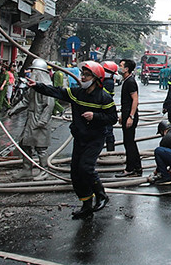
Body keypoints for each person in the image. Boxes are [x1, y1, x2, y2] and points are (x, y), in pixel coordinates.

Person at [28, 60, 117, 219]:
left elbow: (112, 118)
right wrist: (36, 85)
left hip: (95, 138)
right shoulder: (76, 93)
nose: (83, 77)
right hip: (80, 137)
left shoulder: (104, 98)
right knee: (75, 173)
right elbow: (56, 91)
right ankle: (86, 206)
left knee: (86, 168)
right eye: (83, 74)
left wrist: (94, 116)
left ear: (96, 78)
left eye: (87, 75)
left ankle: (102, 195)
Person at [7, 59, 54, 180]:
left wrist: (42, 121)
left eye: (33, 70)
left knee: (41, 147)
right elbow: (26, 100)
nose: (30, 72)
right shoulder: (33, 87)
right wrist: (14, 110)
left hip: (39, 119)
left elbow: (49, 105)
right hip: (31, 118)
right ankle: (26, 169)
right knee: (24, 144)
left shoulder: (46, 87)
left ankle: (44, 170)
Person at [116, 59, 142, 177]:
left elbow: (135, 100)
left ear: (126, 69)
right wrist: (123, 115)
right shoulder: (126, 81)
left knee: (129, 142)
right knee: (129, 142)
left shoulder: (130, 82)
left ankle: (130, 168)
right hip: (126, 114)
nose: (119, 67)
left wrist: (131, 116)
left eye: (121, 66)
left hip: (130, 115)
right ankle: (137, 168)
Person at [101, 60, 119, 152]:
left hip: (106, 108)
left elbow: (104, 94)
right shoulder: (106, 80)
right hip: (105, 108)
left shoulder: (108, 82)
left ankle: (110, 151)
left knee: (108, 130)